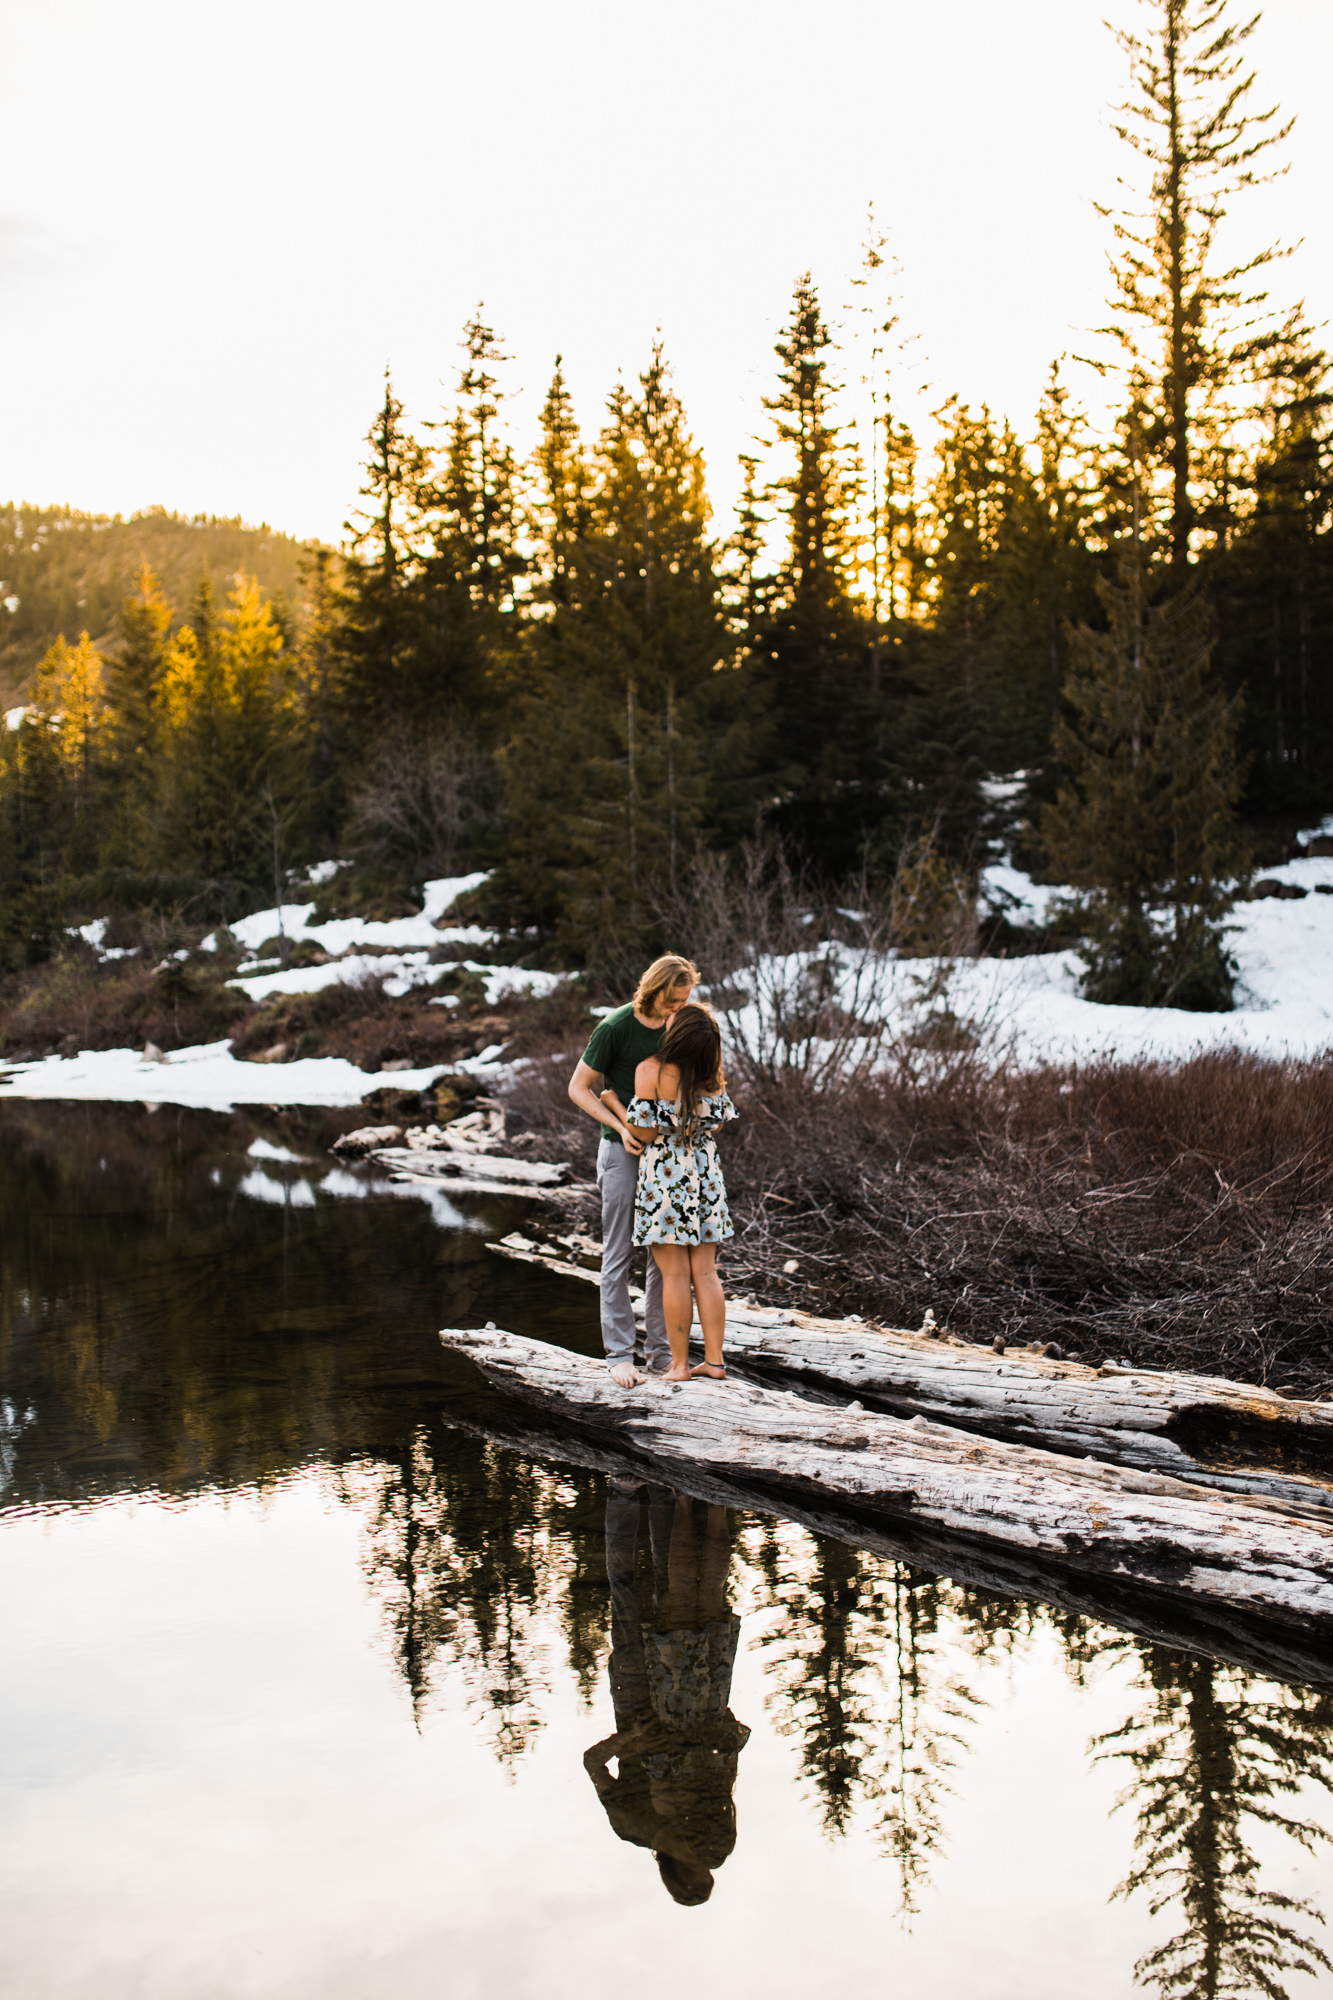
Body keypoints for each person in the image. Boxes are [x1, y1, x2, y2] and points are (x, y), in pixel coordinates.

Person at [583, 1479, 749, 1906]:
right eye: (702, 1868)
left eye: (692, 1868)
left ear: (674, 1871)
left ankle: (622, 1491)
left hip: (635, 1699)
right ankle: (665, 1490)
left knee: (624, 1592)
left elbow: (593, 1763)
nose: (697, 1857)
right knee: (670, 1590)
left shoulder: (632, 1826)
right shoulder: (705, 1825)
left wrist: (633, 1738)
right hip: (682, 1704)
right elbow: (719, 1763)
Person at [568, 955, 699, 1388]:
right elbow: (578, 1088)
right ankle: (620, 1355)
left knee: (663, 1259)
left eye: (685, 1000)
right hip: (621, 1151)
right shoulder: (614, 1027)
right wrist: (619, 1126)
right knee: (619, 1254)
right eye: (672, 1000)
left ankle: (661, 1355)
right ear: (654, 989)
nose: (677, 1008)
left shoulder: (679, 1023)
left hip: (668, 1156)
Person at [605, 1002, 736, 1384]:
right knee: (707, 1272)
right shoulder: (711, 1075)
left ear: (677, 1033)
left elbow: (643, 1133)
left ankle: (678, 1365)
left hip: (665, 1174)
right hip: (706, 1173)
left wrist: (612, 1101)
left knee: (675, 1274)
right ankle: (714, 1362)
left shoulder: (652, 1069)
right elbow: (717, 1124)